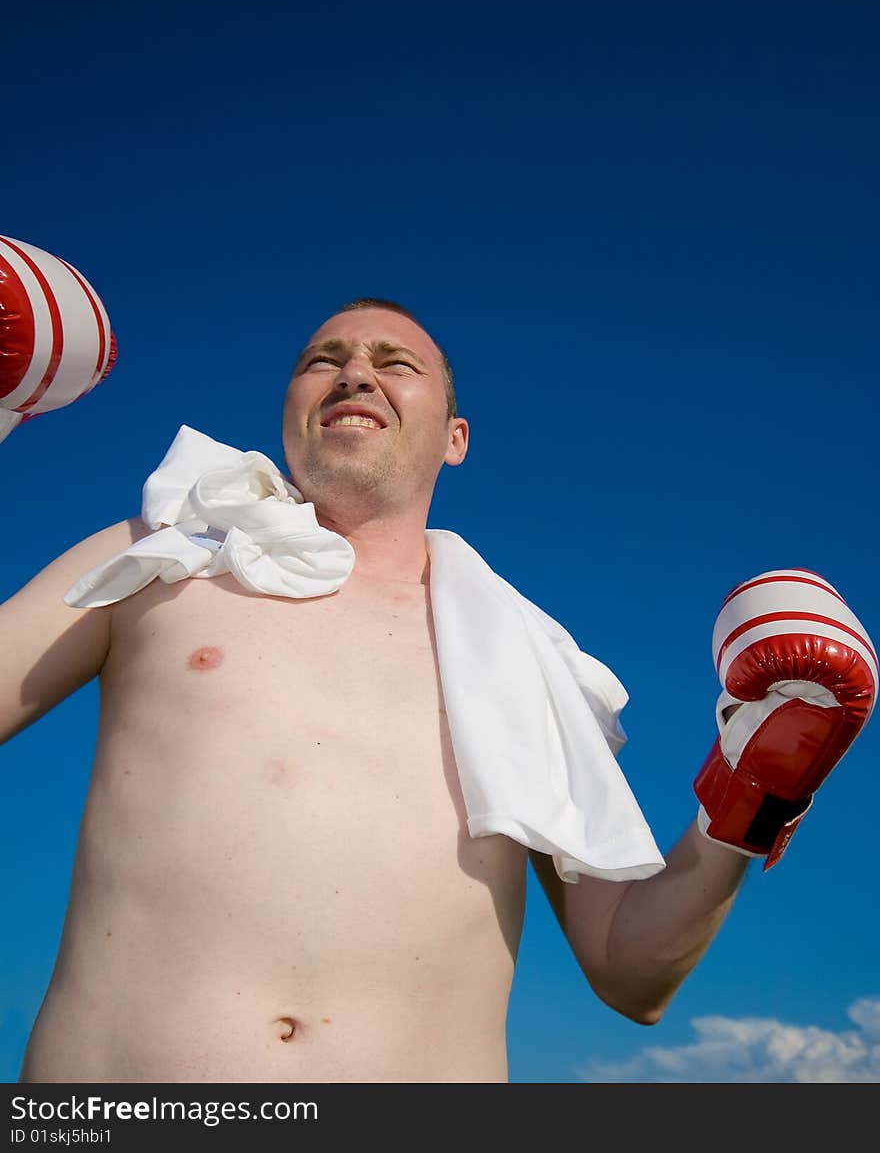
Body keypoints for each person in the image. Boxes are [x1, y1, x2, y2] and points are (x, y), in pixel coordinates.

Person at [2, 299, 873, 1084]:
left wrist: (754, 786)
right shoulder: (159, 556)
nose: (355, 371)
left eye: (396, 362)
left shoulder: (527, 659)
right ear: (290, 411)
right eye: (324, 358)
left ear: (454, 436)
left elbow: (631, 971)